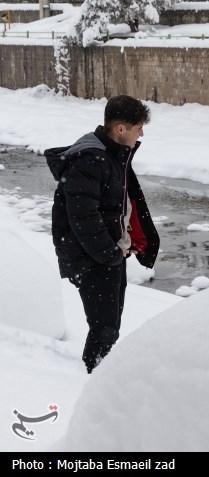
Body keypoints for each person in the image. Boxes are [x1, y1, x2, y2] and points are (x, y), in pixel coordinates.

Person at [45, 95, 160, 373]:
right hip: (91, 257)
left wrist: (130, 241)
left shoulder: (113, 156)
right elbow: (83, 218)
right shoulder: (90, 160)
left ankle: (99, 373)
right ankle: (92, 377)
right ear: (120, 128)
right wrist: (110, 253)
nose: (141, 133)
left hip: (107, 254)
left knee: (109, 326)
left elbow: (122, 204)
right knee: (104, 328)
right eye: (138, 127)